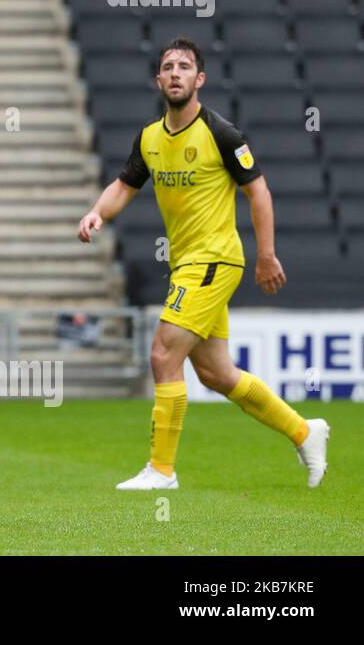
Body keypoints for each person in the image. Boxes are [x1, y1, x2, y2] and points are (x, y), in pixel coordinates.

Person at [78, 38, 329, 490]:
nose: (175, 73)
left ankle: (162, 470)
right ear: (158, 80)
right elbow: (123, 185)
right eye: (168, 66)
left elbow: (259, 192)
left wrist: (266, 255)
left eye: (185, 66)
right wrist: (97, 211)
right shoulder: (150, 138)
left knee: (161, 353)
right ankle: (305, 432)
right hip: (187, 264)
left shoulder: (222, 133)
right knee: (216, 374)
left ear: (200, 80)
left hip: (214, 260)